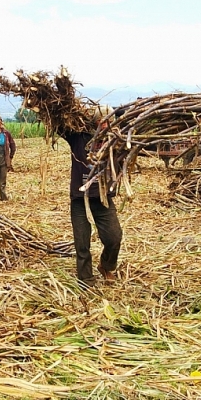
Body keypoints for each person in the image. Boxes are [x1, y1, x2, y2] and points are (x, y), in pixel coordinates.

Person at [62, 106, 123, 288]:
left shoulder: (115, 140)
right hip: (80, 199)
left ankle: (106, 266)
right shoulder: (78, 137)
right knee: (82, 243)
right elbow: (60, 125)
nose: (104, 124)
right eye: (101, 120)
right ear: (93, 121)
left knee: (114, 237)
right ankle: (86, 279)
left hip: (103, 197)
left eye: (108, 121)